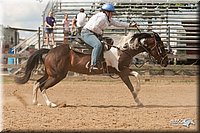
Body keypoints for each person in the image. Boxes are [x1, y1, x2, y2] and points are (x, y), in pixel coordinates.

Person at [81, 3, 138, 72]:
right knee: (98, 45)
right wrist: (100, 32)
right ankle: (93, 64)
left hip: (93, 33)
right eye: (111, 13)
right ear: (107, 12)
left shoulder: (107, 18)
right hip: (87, 33)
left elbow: (117, 23)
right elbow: (93, 27)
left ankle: (101, 62)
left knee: (106, 43)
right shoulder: (102, 17)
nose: (112, 14)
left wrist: (130, 25)